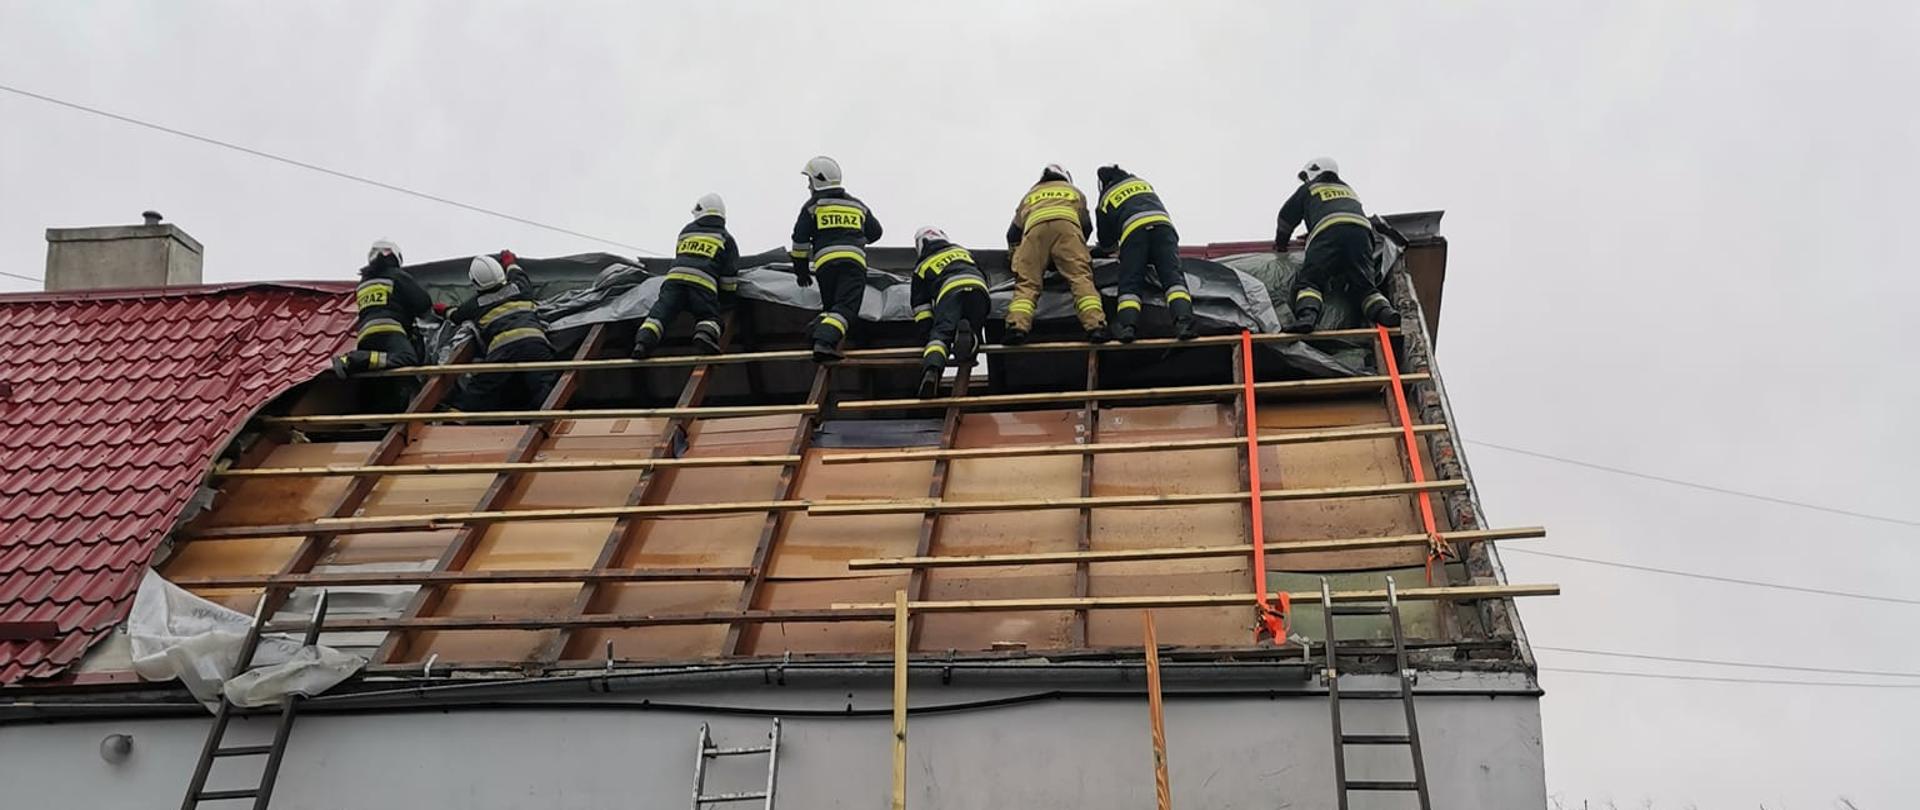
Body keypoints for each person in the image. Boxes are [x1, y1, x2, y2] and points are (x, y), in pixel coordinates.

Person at [1273, 157, 1401, 333]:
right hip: (1361, 234)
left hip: (1328, 233)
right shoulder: (1348, 190)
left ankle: (1307, 318)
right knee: (1363, 285)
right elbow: (1340, 214)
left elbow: (1286, 217)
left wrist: (1281, 244)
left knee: (1311, 281)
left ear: (1313, 171)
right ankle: (1385, 313)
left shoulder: (1311, 188)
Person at [789, 156, 883, 362]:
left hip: (825, 267)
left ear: (818, 180)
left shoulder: (812, 206)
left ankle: (816, 329)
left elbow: (799, 242)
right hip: (852, 264)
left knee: (832, 308)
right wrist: (857, 239)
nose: (808, 186)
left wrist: (801, 272)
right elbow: (876, 232)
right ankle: (824, 342)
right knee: (846, 309)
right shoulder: (857, 205)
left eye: (810, 181)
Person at [1005, 164, 1108, 344]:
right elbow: (1087, 227)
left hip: (1034, 233)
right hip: (1067, 231)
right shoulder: (1074, 192)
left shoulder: (1029, 195)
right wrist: (1066, 256)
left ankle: (1016, 327)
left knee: (1027, 284)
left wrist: (1018, 258)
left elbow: (1012, 234)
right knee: (1080, 278)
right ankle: (1096, 326)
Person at [445, 251, 559, 411]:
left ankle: (457, 415)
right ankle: (544, 416)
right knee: (545, 386)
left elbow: (455, 316)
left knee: (481, 389)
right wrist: (509, 262)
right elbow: (518, 273)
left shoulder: (475, 304)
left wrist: (444, 309)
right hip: (534, 344)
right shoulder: (520, 288)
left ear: (475, 282)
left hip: (502, 352)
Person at [1094, 165, 1193, 342]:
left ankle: (1127, 328)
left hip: (1134, 234)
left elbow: (1107, 243)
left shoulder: (1106, 197)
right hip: (1164, 230)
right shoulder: (1141, 183)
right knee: (1173, 279)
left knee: (1130, 283)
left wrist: (1104, 250)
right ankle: (1184, 323)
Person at [633, 193, 739, 358]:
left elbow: (680, 256)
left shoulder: (686, 231)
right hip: (702, 285)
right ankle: (704, 335)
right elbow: (729, 276)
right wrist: (727, 299)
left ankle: (643, 343)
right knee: (708, 316)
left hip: (673, 281)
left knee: (660, 313)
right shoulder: (725, 238)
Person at [332, 239, 436, 378]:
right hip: (389, 331)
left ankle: (360, 359)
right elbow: (423, 303)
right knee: (407, 358)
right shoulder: (396, 275)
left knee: (378, 368)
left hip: (365, 336)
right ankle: (354, 359)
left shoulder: (363, 283)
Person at [909, 227, 990, 398]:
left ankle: (932, 371)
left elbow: (921, 307)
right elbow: (983, 274)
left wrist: (927, 333)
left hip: (949, 292)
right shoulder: (963, 252)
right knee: (975, 328)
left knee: (941, 335)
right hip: (978, 288)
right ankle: (970, 336)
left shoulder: (922, 265)